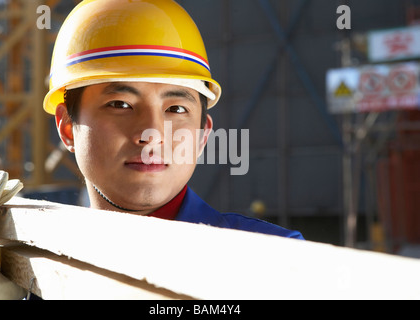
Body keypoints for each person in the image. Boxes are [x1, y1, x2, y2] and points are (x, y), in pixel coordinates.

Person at [43, 0, 303, 240]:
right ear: (67, 127)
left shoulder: (276, 262)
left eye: (176, 109)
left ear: (202, 136)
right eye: (121, 104)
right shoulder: (36, 260)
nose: (152, 133)